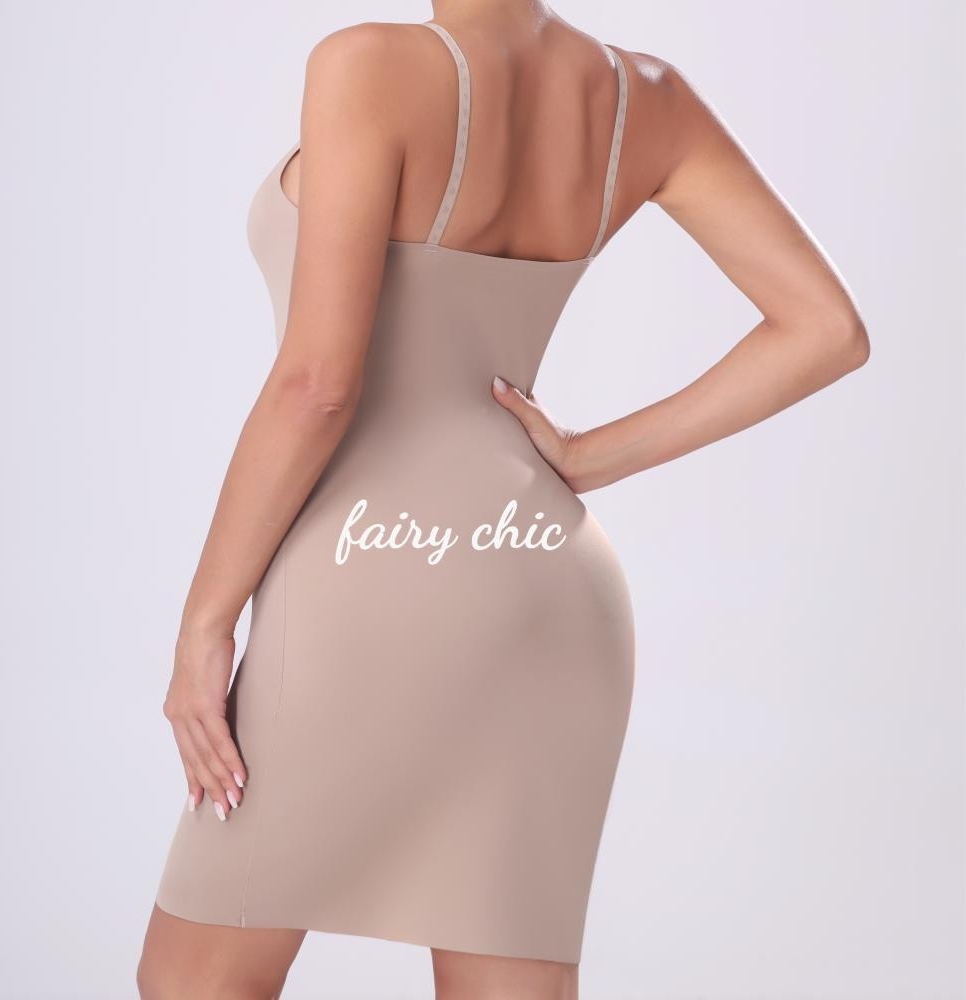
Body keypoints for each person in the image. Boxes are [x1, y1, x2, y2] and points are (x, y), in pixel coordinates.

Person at [137, 2, 870, 997]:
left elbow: (316, 387)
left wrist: (205, 623)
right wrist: (582, 459)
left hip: (366, 583)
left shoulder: (368, 63)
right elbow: (827, 328)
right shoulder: (645, 98)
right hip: (556, 594)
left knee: (194, 982)